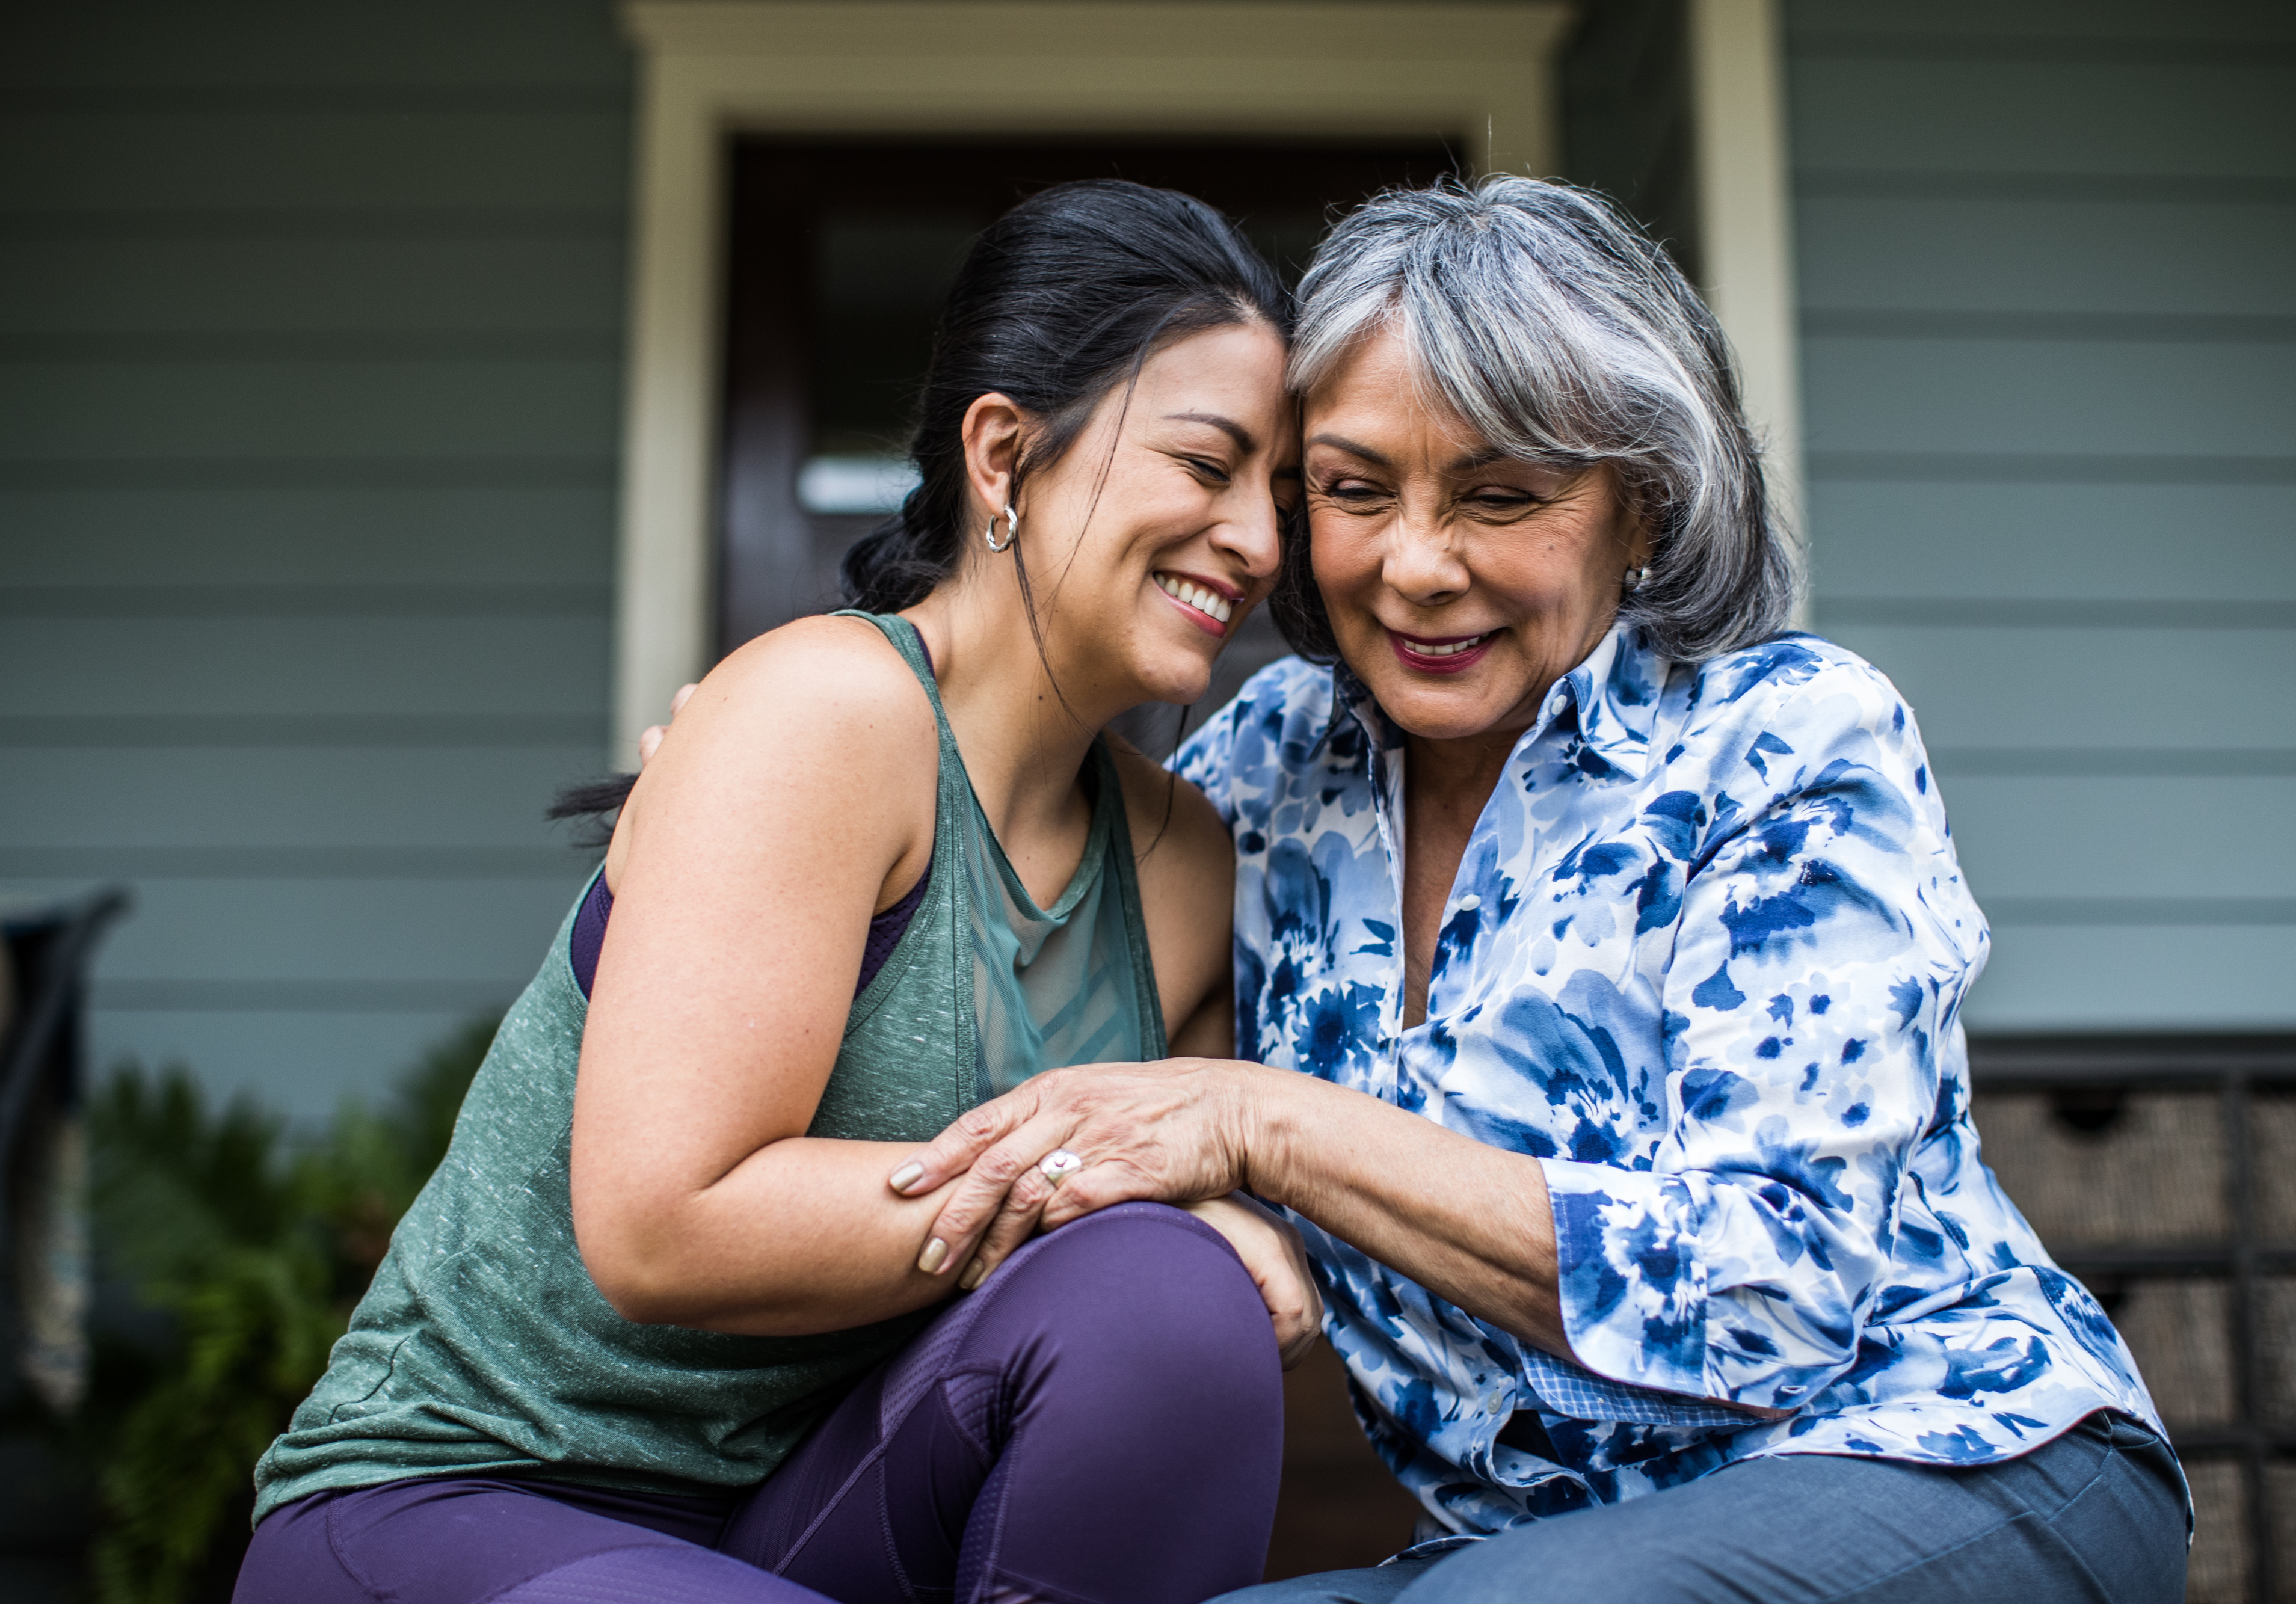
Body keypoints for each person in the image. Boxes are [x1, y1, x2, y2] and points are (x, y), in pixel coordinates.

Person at [882, 177, 2192, 1602]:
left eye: (1500, 496)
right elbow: (1025, 976)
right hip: (1528, 1555)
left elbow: (1769, 1296)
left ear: (1640, 505)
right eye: (1353, 489)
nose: (1417, 566)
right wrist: (779, 776)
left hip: (1952, 1459)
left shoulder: (1785, 737)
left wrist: (1268, 1129)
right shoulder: (1261, 773)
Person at [232, 179, 1321, 1604]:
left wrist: (1208, 1224)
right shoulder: (826, 713)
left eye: (1283, 492)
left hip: (814, 1515)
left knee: (1167, 1306)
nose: (1255, 538)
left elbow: (1182, 1247)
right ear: (1004, 456)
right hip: (466, 1493)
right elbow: (665, 1222)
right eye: (1206, 464)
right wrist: (1106, 1192)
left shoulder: (1181, 863)